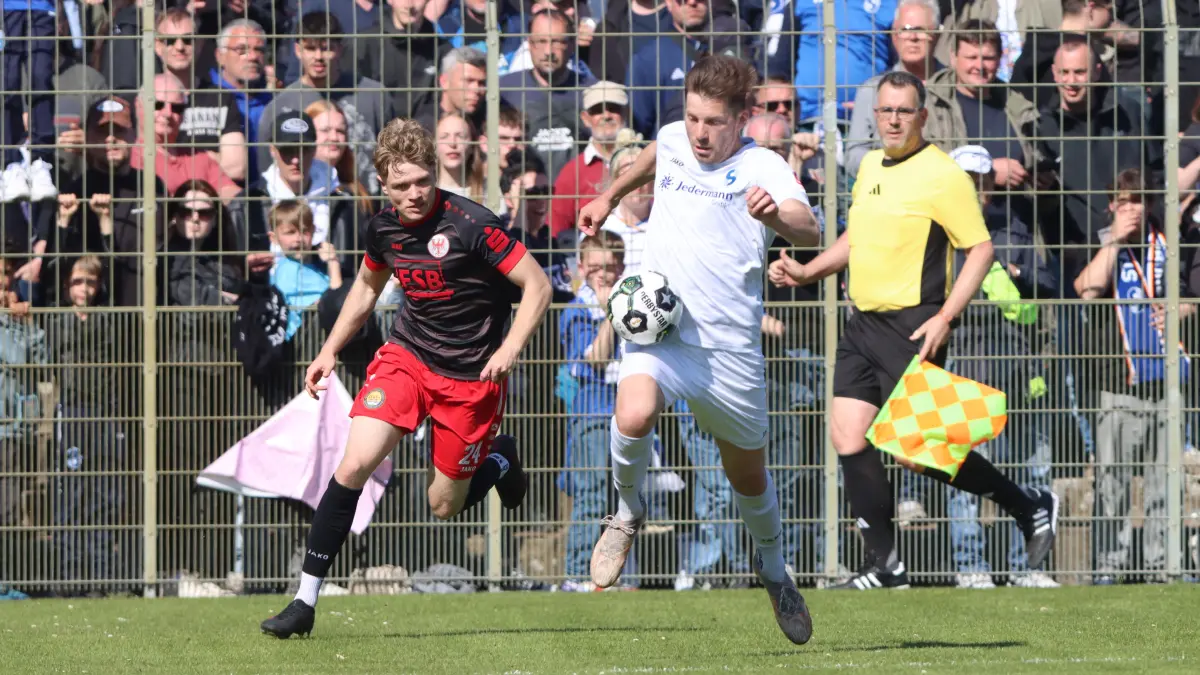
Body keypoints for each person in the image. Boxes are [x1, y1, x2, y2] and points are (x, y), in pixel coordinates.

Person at [260, 118, 553, 638]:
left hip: (470, 376)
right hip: (408, 358)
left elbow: (537, 285)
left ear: (435, 174)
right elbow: (366, 290)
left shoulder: (472, 223)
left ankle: (500, 456)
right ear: (383, 186)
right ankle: (304, 602)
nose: (415, 194)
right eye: (401, 185)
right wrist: (329, 349)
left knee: (444, 506)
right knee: (352, 464)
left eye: (423, 181)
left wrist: (511, 348)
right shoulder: (384, 228)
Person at [767, 71, 1059, 591]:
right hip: (862, 323)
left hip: (911, 326)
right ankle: (886, 565)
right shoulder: (872, 166)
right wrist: (809, 272)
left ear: (922, 116)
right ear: (875, 115)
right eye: (886, 111)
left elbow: (981, 249)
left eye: (904, 111)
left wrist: (945, 316)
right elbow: (858, 235)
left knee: (915, 452)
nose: (894, 120)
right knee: (847, 435)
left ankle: (1029, 505)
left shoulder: (942, 175)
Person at [577, 54, 821, 644]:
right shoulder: (672, 139)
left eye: (713, 122)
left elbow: (810, 230)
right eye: (692, 117)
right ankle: (629, 511)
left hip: (728, 348)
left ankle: (772, 566)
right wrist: (609, 196)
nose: (700, 133)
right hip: (660, 329)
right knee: (632, 412)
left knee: (747, 476)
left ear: (744, 118)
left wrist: (777, 218)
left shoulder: (763, 163)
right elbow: (653, 157)